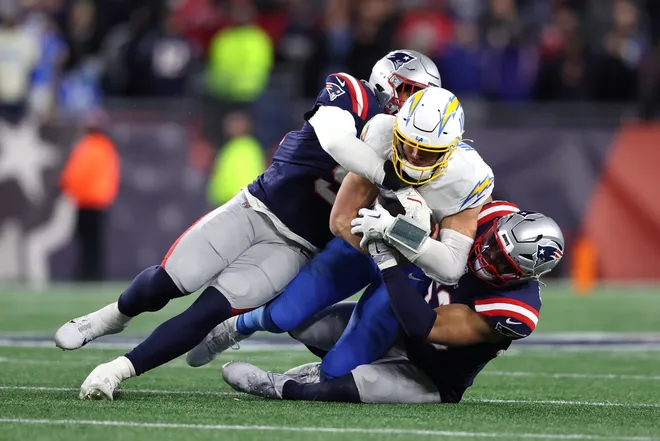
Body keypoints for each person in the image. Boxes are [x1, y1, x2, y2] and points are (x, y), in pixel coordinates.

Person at [53, 50, 441, 400]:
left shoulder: (417, 149)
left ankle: (115, 371)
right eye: (410, 92)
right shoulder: (353, 93)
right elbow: (337, 140)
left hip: (296, 246)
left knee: (209, 311)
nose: (412, 106)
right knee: (167, 283)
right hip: (255, 208)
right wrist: (387, 176)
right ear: (388, 80)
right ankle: (112, 317)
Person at [187, 87, 495, 380]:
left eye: (426, 152)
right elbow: (341, 219)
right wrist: (379, 240)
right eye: (407, 143)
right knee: (284, 315)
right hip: (361, 238)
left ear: (449, 150)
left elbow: (451, 267)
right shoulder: (382, 134)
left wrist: (393, 234)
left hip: (412, 266)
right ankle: (238, 325)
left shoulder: (468, 178)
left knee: (341, 366)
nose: (412, 155)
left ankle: (310, 379)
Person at [222, 203, 565, 404]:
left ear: (526, 275)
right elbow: (432, 229)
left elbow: (426, 327)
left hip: (429, 375)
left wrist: (388, 264)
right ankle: (312, 362)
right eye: (492, 244)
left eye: (503, 263)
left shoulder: (515, 310)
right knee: (304, 324)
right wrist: (397, 228)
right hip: (394, 327)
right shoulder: (490, 214)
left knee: (342, 389)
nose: (487, 256)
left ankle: (279, 386)